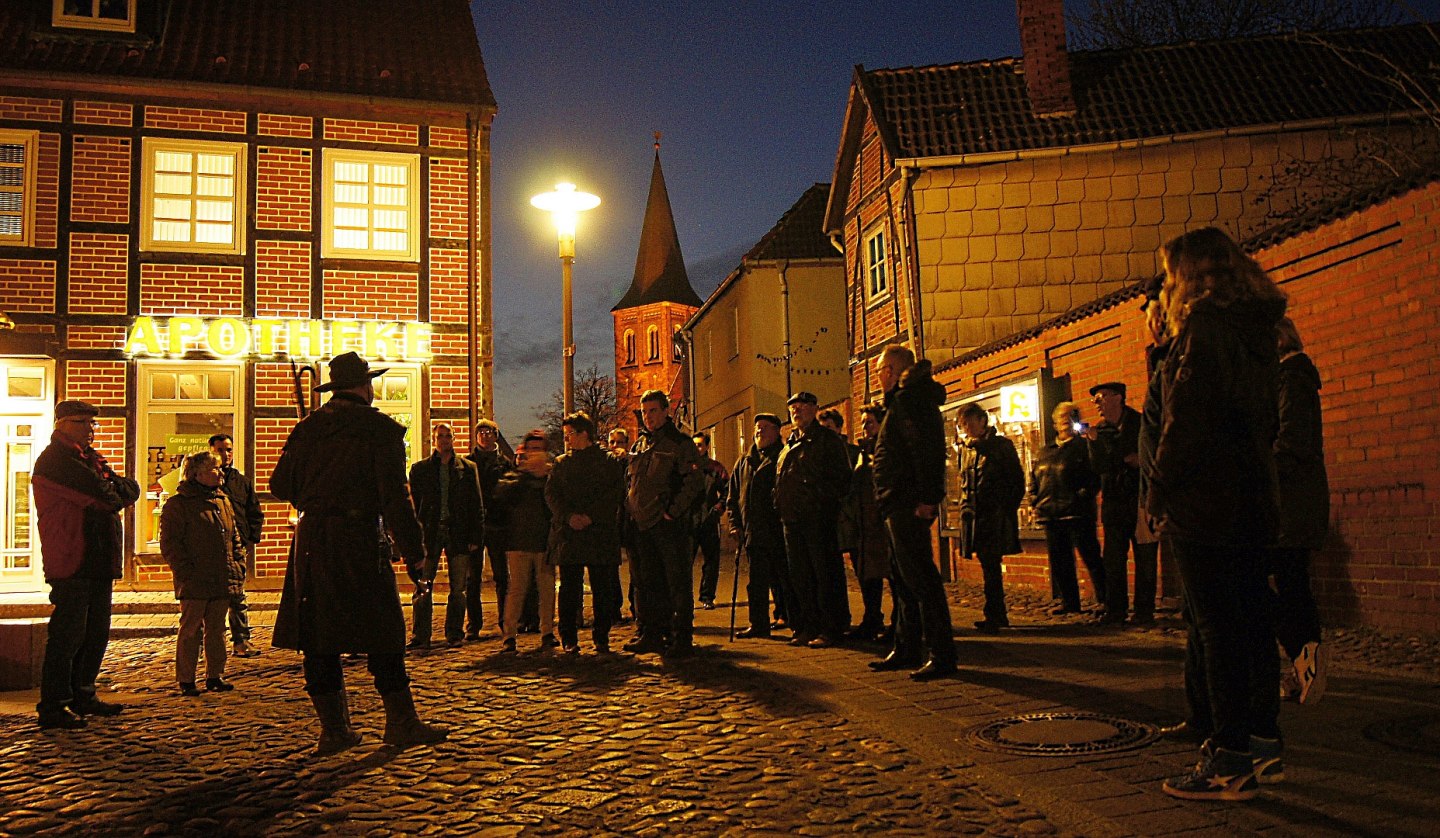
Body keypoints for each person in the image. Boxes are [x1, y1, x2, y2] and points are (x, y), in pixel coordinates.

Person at [1147, 227, 1286, 802]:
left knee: (1216, 629)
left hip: (1205, 500)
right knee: (1253, 624)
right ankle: (1263, 743)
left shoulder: (1203, 327)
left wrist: (1159, 487)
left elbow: (1187, 419)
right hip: (1253, 497)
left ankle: (1227, 759)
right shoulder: (1259, 328)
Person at [271, 351, 445, 755]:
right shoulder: (379, 430)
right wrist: (416, 555)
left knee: (319, 637)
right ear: (366, 387)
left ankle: (334, 731)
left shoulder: (308, 429)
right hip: (360, 538)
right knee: (383, 632)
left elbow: (281, 487)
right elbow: (395, 499)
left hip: (313, 541)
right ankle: (400, 721)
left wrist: (314, 491)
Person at [31, 400, 141, 730]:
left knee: (95, 632)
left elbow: (126, 488)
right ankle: (54, 704)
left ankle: (83, 693)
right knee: (68, 634)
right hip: (72, 556)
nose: (90, 430)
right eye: (83, 423)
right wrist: (115, 491)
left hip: (98, 559)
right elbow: (105, 494)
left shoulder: (88, 459)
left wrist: (116, 490)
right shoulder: (56, 461)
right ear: (63, 423)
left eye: (92, 424)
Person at [870, 346, 956, 680]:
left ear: (891, 371)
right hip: (895, 501)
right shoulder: (902, 403)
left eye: (879, 370)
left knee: (921, 579)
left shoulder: (910, 402)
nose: (877, 376)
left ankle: (941, 653)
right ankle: (906, 647)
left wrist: (928, 498)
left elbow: (927, 451)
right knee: (903, 580)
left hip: (906, 502)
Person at [1272, 316, 1330, 705]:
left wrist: (1257, 469)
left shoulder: (1291, 380)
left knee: (1278, 583)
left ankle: (1305, 655)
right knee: (1290, 583)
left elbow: (1290, 444)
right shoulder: (1293, 379)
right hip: (1293, 503)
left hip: (1287, 504)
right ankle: (1302, 662)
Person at [623, 389, 705, 657]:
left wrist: (673, 511)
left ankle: (681, 636)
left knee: (677, 582)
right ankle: (652, 633)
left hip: (669, 526)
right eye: (645, 412)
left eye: (653, 411)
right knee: (647, 583)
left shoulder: (679, 443)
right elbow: (631, 482)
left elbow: (693, 482)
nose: (648, 417)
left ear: (666, 411)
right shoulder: (640, 445)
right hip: (642, 525)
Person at [160, 451, 246, 696]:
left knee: (217, 630)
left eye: (218, 469)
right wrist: (185, 571)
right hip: (195, 578)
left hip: (221, 576)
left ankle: (215, 675)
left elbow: (234, 537)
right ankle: (186, 678)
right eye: (213, 469)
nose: (219, 473)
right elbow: (170, 543)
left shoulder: (222, 501)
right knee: (191, 629)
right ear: (196, 474)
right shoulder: (179, 504)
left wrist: (238, 564)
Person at [774, 391, 853, 648]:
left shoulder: (826, 440)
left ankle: (831, 627)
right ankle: (807, 626)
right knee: (801, 576)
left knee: (824, 574)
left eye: (802, 406)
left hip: (817, 519)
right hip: (792, 520)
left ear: (814, 408)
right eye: (793, 407)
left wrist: (820, 503)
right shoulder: (791, 443)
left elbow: (841, 479)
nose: (796, 411)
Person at [546, 412, 626, 654]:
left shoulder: (607, 462)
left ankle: (601, 634)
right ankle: (569, 636)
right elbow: (552, 495)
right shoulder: (562, 463)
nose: (567, 440)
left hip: (599, 532)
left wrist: (590, 516)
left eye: (570, 435)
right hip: (571, 533)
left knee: (602, 587)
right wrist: (569, 516)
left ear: (584, 434)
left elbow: (614, 494)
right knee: (570, 588)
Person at [1086, 381, 1157, 625]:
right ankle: (1115, 609)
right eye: (1095, 398)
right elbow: (1099, 467)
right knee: (1113, 559)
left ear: (1118, 397)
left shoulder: (1140, 424)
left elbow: (1153, 454)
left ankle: (1144, 611)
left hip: (1139, 500)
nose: (1097, 402)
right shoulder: (1100, 431)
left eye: (1102, 396)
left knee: (1145, 557)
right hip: (1114, 501)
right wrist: (1094, 443)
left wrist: (1142, 460)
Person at [408, 423, 485, 649]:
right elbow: (414, 506)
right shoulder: (420, 469)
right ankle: (421, 635)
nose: (444, 440)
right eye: (440, 436)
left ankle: (454, 633)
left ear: (453, 438)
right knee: (423, 586)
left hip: (458, 532)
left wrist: (475, 536)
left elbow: (476, 505)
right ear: (433, 440)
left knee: (458, 588)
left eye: (447, 436)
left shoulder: (467, 468)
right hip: (429, 533)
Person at [1029, 402, 1104, 615]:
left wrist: (1081, 496)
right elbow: (1035, 477)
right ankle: (1070, 602)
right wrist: (1035, 499)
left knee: (1090, 556)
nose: (1065, 421)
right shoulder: (1046, 451)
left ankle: (1105, 598)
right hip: (1051, 513)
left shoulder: (1083, 446)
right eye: (1061, 417)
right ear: (1054, 423)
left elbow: (1094, 476)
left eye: (1070, 416)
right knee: (1060, 561)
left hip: (1077, 511)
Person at [956, 403, 1025, 634]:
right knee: (987, 565)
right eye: (962, 424)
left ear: (982, 421)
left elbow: (1016, 481)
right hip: (974, 516)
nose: (966, 428)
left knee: (991, 565)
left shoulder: (1001, 446)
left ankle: (995, 614)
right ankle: (995, 613)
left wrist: (1005, 508)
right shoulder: (966, 450)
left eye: (969, 422)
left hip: (993, 515)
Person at [726, 413, 790, 638]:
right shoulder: (745, 461)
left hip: (778, 530)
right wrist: (735, 524)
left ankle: (794, 619)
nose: (759, 431)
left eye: (765, 427)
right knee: (757, 582)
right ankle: (759, 623)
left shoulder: (782, 457)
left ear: (776, 431)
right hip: (754, 531)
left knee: (786, 579)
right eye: (757, 427)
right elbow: (733, 496)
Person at [833, 405, 891, 641]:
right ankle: (872, 619)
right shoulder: (864, 452)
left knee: (894, 578)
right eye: (863, 422)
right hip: (864, 524)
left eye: (870, 422)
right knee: (868, 576)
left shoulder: (883, 449)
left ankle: (900, 626)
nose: (865, 426)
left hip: (881, 523)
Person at [496, 430, 558, 653]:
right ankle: (509, 635)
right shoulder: (515, 476)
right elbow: (502, 496)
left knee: (547, 589)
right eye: (530, 449)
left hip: (544, 541)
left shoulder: (552, 476)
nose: (533, 454)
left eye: (538, 449)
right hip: (518, 541)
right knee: (517, 590)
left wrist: (544, 477)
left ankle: (547, 632)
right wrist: (525, 475)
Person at [209, 433, 264, 658]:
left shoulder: (241, 481)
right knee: (212, 599)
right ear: (212, 450)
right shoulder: (205, 480)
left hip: (238, 546)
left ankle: (241, 641)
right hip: (212, 548)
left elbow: (254, 511)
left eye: (229, 449)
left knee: (238, 596)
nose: (226, 454)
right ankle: (210, 643)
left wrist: (251, 538)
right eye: (221, 449)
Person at [465, 419, 513, 640]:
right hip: (474, 525)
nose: (484, 435)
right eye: (480, 432)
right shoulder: (467, 463)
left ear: (495, 435)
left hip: (498, 525)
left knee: (502, 576)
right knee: (472, 578)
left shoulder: (505, 464)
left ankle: (505, 621)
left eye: (488, 432)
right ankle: (474, 625)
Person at [691, 432, 729, 610]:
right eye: (694, 445)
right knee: (684, 562)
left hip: (708, 520)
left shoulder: (716, 469)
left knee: (711, 561)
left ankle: (707, 596)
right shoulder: (686, 468)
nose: (697, 448)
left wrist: (718, 509)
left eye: (699, 445)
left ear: (706, 446)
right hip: (689, 522)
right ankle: (684, 597)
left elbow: (728, 491)